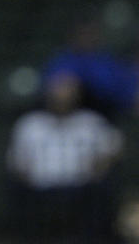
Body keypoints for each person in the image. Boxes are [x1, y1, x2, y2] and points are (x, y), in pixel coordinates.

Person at [7, 72, 124, 242]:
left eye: (68, 91)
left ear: (77, 95)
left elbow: (114, 148)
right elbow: (17, 163)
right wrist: (28, 179)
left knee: (99, 196)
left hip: (81, 191)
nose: (62, 96)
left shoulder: (91, 122)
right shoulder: (30, 124)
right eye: (58, 90)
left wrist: (99, 167)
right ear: (47, 93)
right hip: (40, 193)